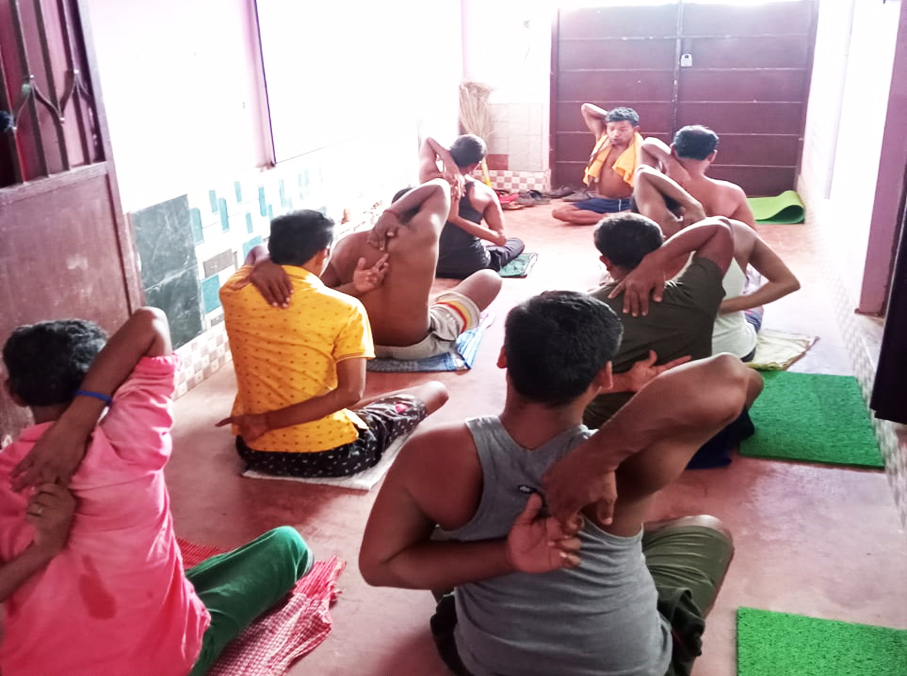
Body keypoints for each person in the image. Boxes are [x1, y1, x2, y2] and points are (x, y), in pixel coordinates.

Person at [360, 290, 763, 676]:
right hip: (631, 669)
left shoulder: (433, 451)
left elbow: (381, 566)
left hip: (485, 666)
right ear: (606, 375)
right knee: (705, 530)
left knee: (442, 537)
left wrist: (505, 556)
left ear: (503, 357)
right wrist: (599, 454)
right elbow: (732, 376)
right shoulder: (632, 465)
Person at [0, 308, 311, 676]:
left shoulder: (5, 475)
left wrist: (43, 550)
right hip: (157, 664)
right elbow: (150, 322)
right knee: (288, 544)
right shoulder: (132, 440)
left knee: (176, 582)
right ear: (114, 381)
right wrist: (78, 422)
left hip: (31, 666)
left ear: (13, 393)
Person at [219, 209, 448, 478]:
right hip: (333, 454)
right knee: (434, 390)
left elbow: (258, 256)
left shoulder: (234, 289)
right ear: (323, 253)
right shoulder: (347, 310)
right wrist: (265, 421)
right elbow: (350, 393)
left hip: (255, 450)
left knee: (341, 400)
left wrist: (264, 260)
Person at [632, 166, 801, 359]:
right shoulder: (738, 232)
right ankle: (749, 285)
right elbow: (788, 282)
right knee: (754, 306)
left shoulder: (644, 240)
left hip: (668, 355)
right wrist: (722, 307)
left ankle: (748, 284)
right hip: (732, 351)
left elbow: (643, 173)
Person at [585, 213, 735, 428]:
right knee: (746, 377)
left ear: (606, 262)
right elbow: (720, 227)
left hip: (608, 429)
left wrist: (626, 381)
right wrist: (656, 259)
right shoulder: (695, 295)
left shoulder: (583, 310)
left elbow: (552, 384)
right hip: (690, 426)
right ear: (662, 246)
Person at [419, 135, 524, 278]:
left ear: (451, 154)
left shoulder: (429, 177)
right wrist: (456, 219)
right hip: (471, 265)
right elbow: (500, 239)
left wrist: (447, 159)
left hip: (432, 263)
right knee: (516, 243)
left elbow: (428, 141)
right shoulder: (485, 192)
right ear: (475, 165)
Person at [640, 125, 756, 228]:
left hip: (667, 243)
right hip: (712, 243)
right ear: (712, 156)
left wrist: (670, 162)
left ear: (673, 149)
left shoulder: (654, 182)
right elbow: (750, 235)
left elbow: (648, 143)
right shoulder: (732, 192)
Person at [552, 105, 644, 225]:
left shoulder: (642, 149)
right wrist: (611, 117)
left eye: (622, 129)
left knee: (650, 214)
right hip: (601, 201)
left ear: (635, 129)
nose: (616, 134)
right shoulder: (602, 139)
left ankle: (622, 216)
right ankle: (612, 217)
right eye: (612, 129)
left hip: (628, 202)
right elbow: (586, 108)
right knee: (560, 212)